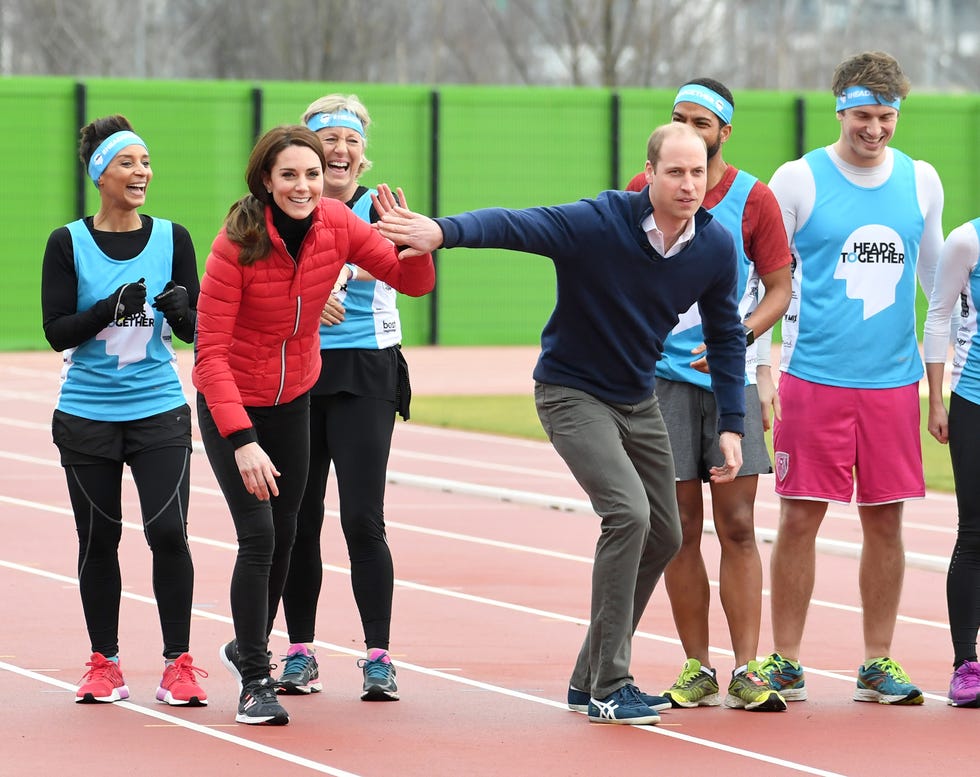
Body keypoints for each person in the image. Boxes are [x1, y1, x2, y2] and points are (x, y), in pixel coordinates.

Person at [374, 121, 747, 726]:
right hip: (571, 392)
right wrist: (440, 232)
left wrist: (731, 421)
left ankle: (586, 678)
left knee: (666, 535)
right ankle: (611, 684)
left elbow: (727, 334)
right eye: (674, 171)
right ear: (648, 174)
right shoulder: (598, 223)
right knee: (628, 514)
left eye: (697, 172)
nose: (687, 184)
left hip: (636, 397)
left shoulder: (713, 247)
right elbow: (516, 224)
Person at [193, 124, 434, 726]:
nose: (304, 186)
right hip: (236, 406)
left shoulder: (337, 223)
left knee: (287, 528)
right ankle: (255, 679)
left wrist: (419, 243)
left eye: (311, 174)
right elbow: (209, 355)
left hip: (294, 399)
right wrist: (242, 440)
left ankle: (247, 647)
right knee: (260, 536)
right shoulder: (235, 244)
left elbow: (411, 282)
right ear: (266, 182)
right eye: (290, 175)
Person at [758, 51, 944, 705]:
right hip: (813, 378)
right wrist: (760, 370)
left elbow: (937, 285)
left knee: (886, 522)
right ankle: (785, 658)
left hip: (893, 384)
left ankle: (877, 661)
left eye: (886, 117)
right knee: (800, 517)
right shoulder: (797, 179)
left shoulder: (921, 180)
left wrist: (937, 383)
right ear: (840, 108)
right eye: (863, 115)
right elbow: (761, 278)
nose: (875, 129)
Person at [625, 79, 792, 712]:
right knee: (677, 528)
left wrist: (738, 335)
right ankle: (697, 665)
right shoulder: (644, 190)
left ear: (725, 131)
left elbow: (779, 286)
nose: (690, 130)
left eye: (702, 122)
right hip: (657, 380)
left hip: (733, 380)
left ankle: (749, 666)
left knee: (740, 525)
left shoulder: (755, 200)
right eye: (678, 119)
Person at [41, 114, 208, 706]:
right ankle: (104, 662)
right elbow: (57, 331)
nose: (142, 172)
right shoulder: (68, 243)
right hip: (87, 413)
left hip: (158, 407)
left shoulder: (173, 238)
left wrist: (182, 310)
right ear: (99, 175)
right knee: (99, 538)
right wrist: (110, 309)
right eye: (128, 163)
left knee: (168, 532)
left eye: (145, 162)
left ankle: (179, 664)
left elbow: (195, 333)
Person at [276, 94, 409, 702]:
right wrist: (301, 296)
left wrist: (345, 270)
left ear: (363, 153)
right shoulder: (283, 210)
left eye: (352, 139)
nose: (341, 150)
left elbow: (405, 265)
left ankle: (378, 656)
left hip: (366, 371)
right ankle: (300, 650)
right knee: (300, 519)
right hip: (298, 372)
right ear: (305, 150)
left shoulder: (384, 212)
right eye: (329, 138)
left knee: (362, 518)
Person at [924, 218, 980, 708]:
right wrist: (936, 401)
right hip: (974, 402)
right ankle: (966, 665)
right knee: (976, 532)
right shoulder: (968, 241)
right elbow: (938, 316)